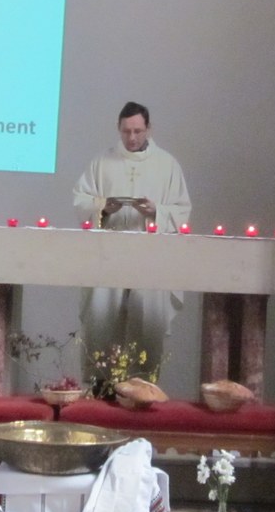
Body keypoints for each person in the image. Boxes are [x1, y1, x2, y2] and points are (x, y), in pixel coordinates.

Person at [73, 102, 191, 379]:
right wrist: (103, 207)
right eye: (126, 131)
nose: (132, 137)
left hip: (149, 258)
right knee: (102, 322)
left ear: (149, 129)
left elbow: (183, 210)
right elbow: (81, 200)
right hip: (108, 255)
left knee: (147, 325)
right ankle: (100, 386)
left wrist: (156, 211)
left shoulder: (167, 165)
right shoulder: (102, 162)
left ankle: (142, 386)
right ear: (119, 128)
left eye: (138, 131)